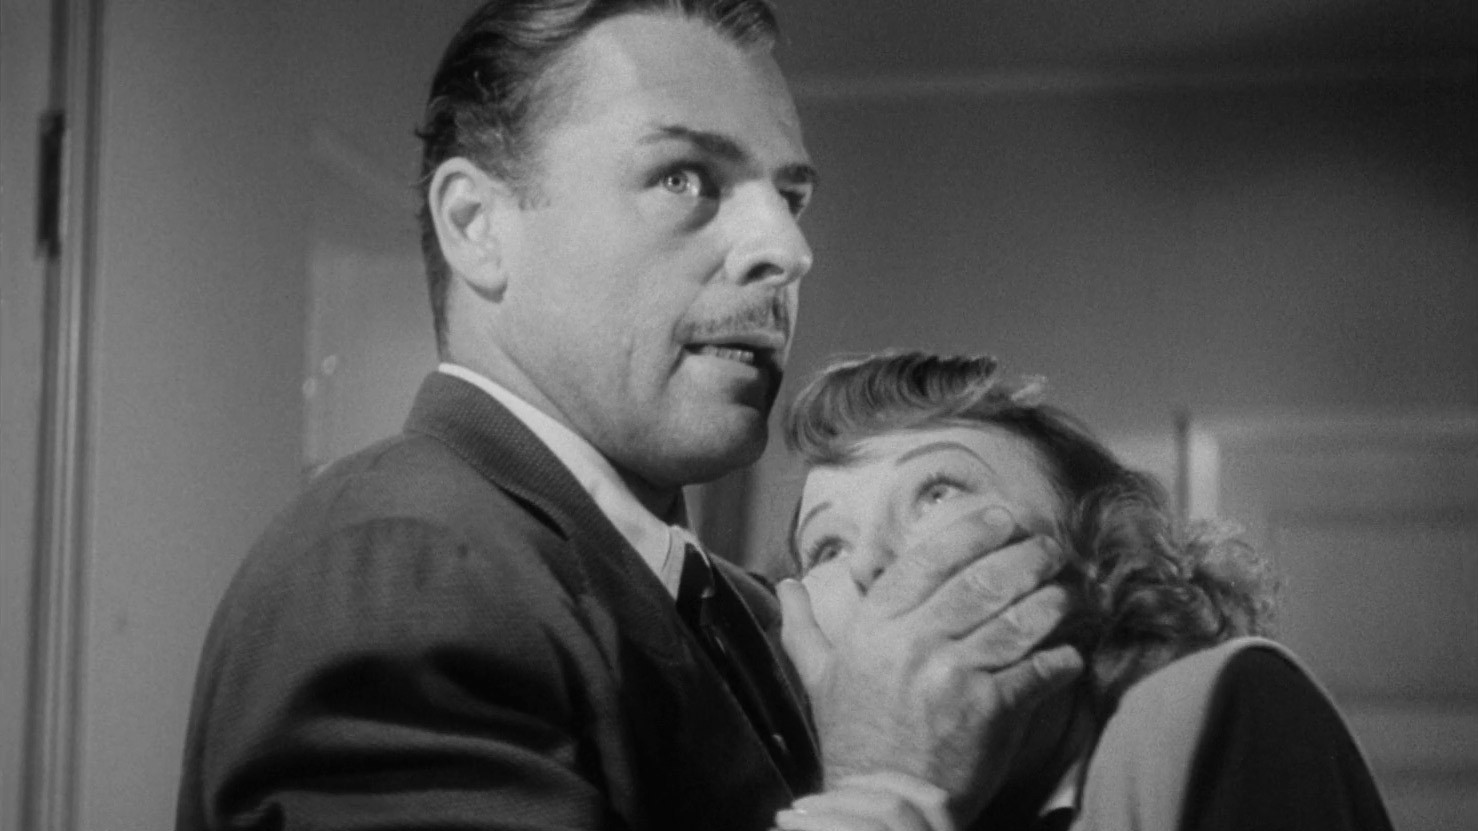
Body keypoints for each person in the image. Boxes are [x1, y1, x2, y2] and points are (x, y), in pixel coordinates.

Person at [174, 4, 1083, 831]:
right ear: (477, 224)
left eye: (791, 197)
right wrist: (882, 783)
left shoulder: (742, 611)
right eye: (684, 178)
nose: (786, 249)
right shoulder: (406, 565)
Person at [780, 350, 1395, 831]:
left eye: (938, 492)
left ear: (1100, 557)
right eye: (827, 547)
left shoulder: (1221, 706)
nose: (870, 563)